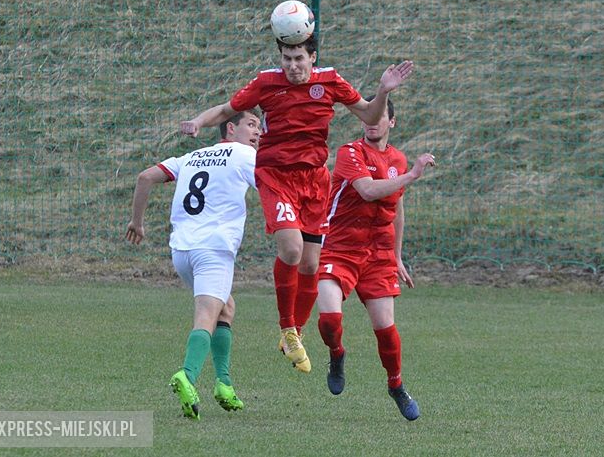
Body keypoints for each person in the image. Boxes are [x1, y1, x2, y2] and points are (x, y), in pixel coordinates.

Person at [180, 34, 414, 374]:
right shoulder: (266, 82)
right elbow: (227, 110)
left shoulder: (330, 81)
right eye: (287, 58)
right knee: (290, 249)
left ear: (312, 57)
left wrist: (384, 91)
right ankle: (287, 328)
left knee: (310, 264)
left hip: (314, 180)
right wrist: (199, 121)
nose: (292, 65)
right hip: (276, 175)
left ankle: (296, 332)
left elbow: (368, 112)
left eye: (298, 58)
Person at [126, 110, 261, 420]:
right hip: (214, 249)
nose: (258, 133)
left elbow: (145, 177)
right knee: (206, 315)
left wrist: (137, 222)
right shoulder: (244, 155)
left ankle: (224, 385)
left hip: (183, 251)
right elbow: (271, 187)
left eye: (259, 127)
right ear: (230, 128)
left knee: (226, 307)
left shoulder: (191, 156)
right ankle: (186, 375)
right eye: (251, 125)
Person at [315, 96, 434, 421]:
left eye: (380, 116)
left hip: (378, 252)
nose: (372, 120)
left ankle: (396, 386)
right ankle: (337, 354)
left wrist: (396, 255)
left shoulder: (397, 157)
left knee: (386, 328)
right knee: (328, 319)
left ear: (391, 122)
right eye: (369, 115)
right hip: (340, 245)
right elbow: (368, 190)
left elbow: (396, 207)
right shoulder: (349, 152)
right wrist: (412, 175)